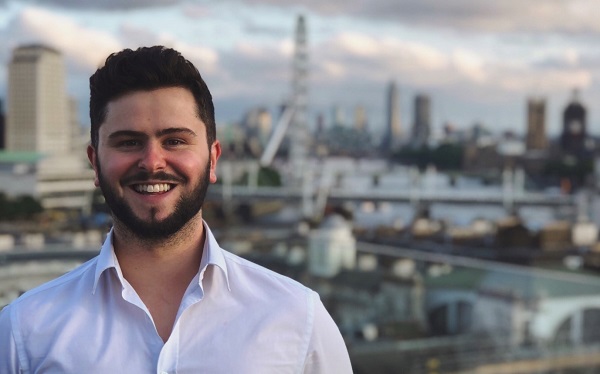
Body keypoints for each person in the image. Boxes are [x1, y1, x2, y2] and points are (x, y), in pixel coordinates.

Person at [0, 46, 352, 373]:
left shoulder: (298, 319)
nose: (152, 162)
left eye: (175, 141)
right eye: (129, 142)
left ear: (213, 158)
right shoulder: (25, 331)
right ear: (95, 162)